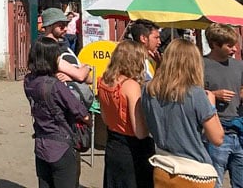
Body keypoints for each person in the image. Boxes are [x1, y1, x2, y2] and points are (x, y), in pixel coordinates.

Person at [141, 39, 224, 187]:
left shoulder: (148, 90)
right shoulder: (195, 94)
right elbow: (217, 138)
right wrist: (211, 105)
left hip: (163, 166)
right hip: (194, 172)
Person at [25, 37, 90, 188]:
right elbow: (81, 112)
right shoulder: (55, 86)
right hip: (62, 145)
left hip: (41, 143)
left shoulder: (28, 81)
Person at [98, 39, 154, 188]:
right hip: (132, 150)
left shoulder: (104, 80)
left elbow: (104, 117)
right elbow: (140, 132)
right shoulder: (131, 85)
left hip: (112, 144)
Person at [202, 23, 243, 188]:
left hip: (238, 129)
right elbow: (193, 94)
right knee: (215, 182)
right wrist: (214, 94)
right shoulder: (201, 65)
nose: (234, 49)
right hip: (215, 130)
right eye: (229, 46)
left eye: (235, 44)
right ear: (214, 44)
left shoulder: (239, 65)